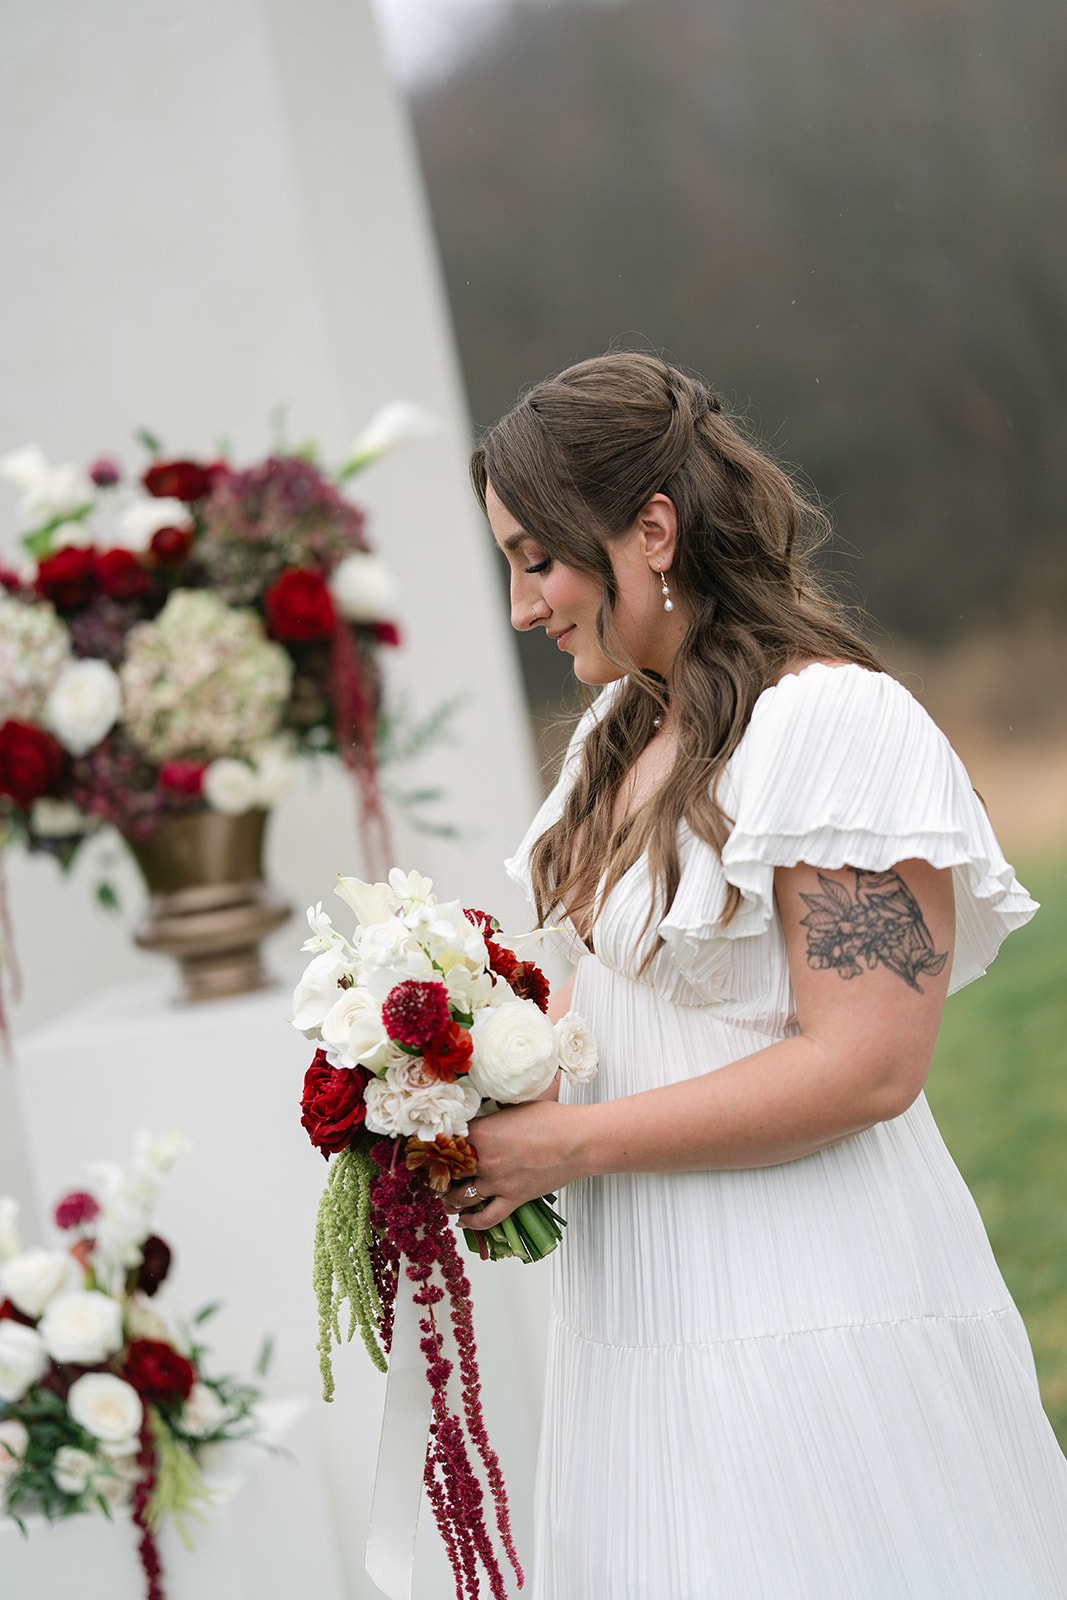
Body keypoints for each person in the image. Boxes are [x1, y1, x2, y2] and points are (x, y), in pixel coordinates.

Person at [445, 353, 1067, 1598]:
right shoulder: (611, 741)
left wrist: (568, 1146)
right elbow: (602, 1019)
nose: (522, 607)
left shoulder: (828, 726)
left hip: (803, 1301)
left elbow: (866, 1065)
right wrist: (448, 1095)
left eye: (536, 559)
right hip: (638, 1316)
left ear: (651, 530)